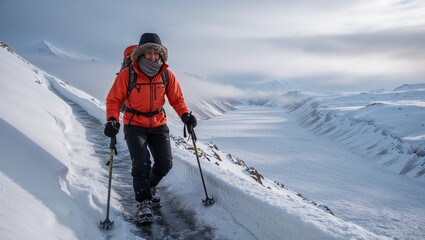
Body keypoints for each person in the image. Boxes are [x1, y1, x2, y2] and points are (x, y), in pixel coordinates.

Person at [104, 33, 197, 221]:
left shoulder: (165, 74)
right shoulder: (127, 74)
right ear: (141, 54)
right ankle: (143, 202)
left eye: (157, 54)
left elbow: (176, 99)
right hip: (134, 124)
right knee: (141, 163)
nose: (153, 57)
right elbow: (113, 99)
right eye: (149, 53)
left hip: (158, 123)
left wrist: (185, 115)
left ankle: (151, 186)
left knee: (165, 163)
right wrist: (112, 120)